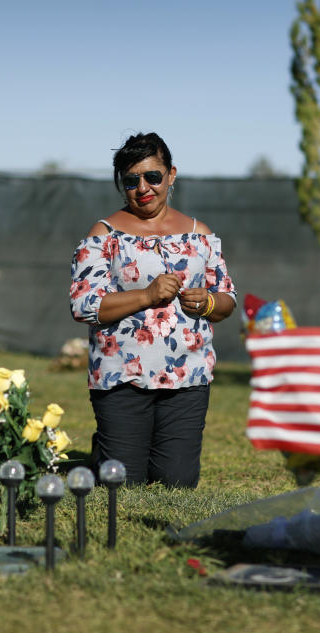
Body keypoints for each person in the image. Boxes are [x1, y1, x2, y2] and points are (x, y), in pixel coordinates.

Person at [69, 132, 237, 488]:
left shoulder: (200, 235)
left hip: (187, 380)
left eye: (152, 177)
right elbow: (83, 305)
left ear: (171, 175)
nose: (143, 187)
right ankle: (107, 450)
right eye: (131, 181)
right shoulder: (105, 234)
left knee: (176, 483)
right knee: (121, 483)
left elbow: (226, 300)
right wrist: (146, 295)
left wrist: (207, 303)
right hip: (121, 379)